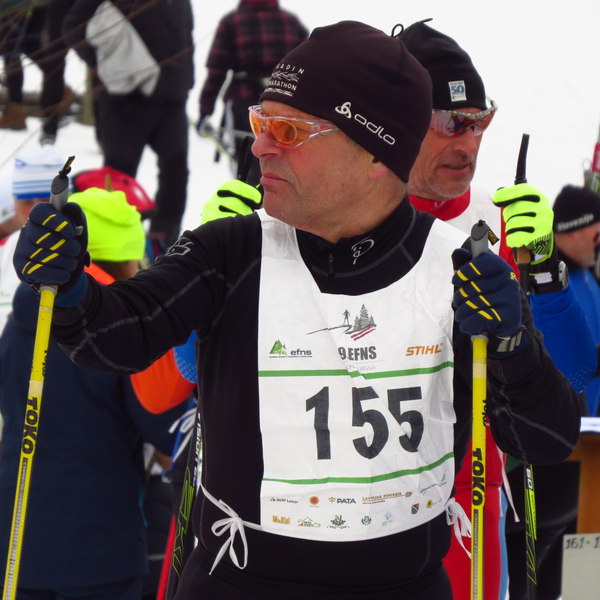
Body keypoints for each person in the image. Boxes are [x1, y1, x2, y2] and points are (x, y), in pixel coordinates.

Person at [11, 21, 580, 600]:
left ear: (374, 153)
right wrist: (69, 285)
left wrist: (513, 344)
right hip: (238, 582)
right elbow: (116, 334)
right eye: (262, 123)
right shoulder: (229, 250)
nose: (260, 146)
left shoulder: (455, 264)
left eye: (288, 131)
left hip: (405, 584)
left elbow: (545, 437)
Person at [394, 20, 594, 600]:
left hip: (471, 497)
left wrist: (546, 274)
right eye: (449, 122)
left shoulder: (500, 221)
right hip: (354, 500)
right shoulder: (345, 213)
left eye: (480, 121)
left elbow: (575, 375)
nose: (469, 142)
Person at [0, 186, 187, 599]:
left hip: (17, 543)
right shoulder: (122, 339)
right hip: (97, 552)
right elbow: (171, 433)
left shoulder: (19, 322)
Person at [62, 0, 195, 252]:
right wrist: (100, 63)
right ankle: (116, 246)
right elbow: (72, 26)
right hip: (124, 101)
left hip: (172, 98)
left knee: (176, 174)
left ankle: (164, 245)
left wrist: (188, 80)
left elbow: (186, 34)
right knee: (118, 179)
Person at [197, 0, 308, 186]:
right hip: (285, 106)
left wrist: (205, 111)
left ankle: (251, 199)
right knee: (283, 159)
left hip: (243, 104)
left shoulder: (232, 22)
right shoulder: (290, 22)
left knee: (249, 164)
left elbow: (216, 71)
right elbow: (309, 68)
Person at [0, 144, 65, 333]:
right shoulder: (8, 246)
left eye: (45, 201)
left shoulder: (79, 246)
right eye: (27, 201)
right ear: (15, 204)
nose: (35, 211)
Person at [0, 0, 73, 144]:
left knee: (11, 51)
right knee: (30, 47)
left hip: (14, 5)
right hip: (38, 5)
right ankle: (59, 91)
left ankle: (15, 111)